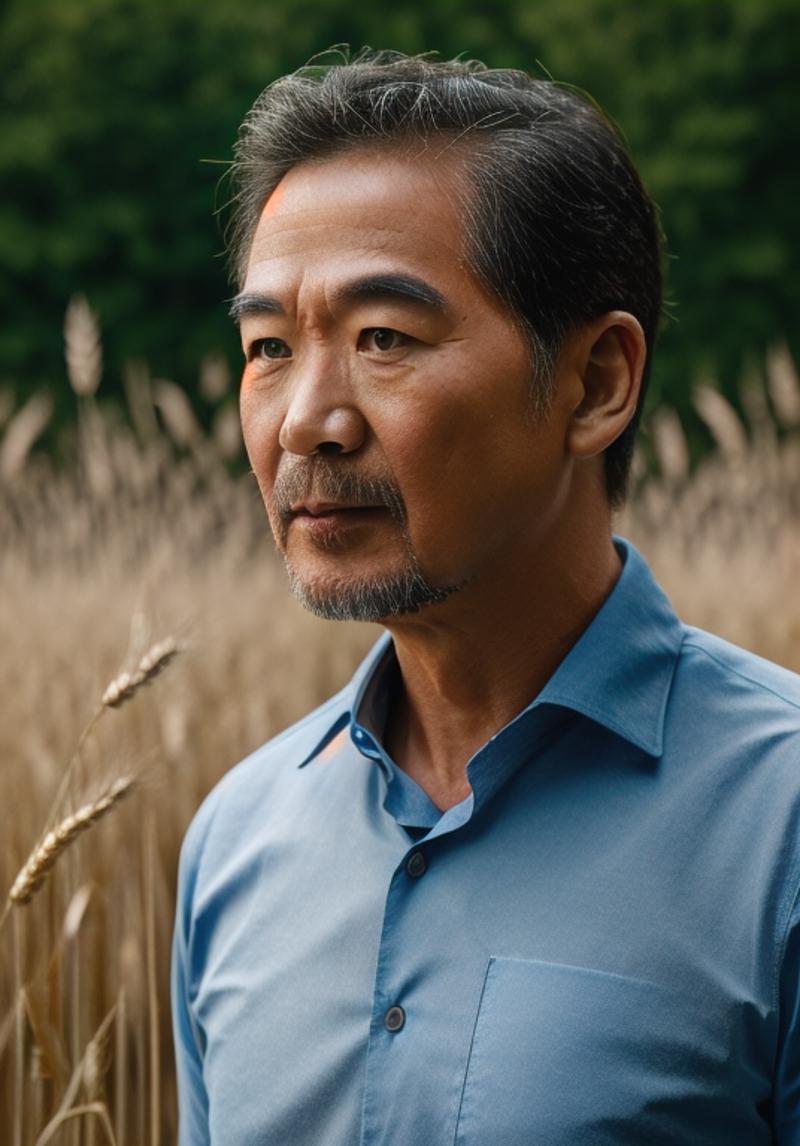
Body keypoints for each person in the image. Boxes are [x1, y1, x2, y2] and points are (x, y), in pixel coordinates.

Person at [171, 51, 800, 1145]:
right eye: (267, 347)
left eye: (382, 339)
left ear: (596, 382)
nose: (305, 421)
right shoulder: (237, 840)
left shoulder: (778, 824)